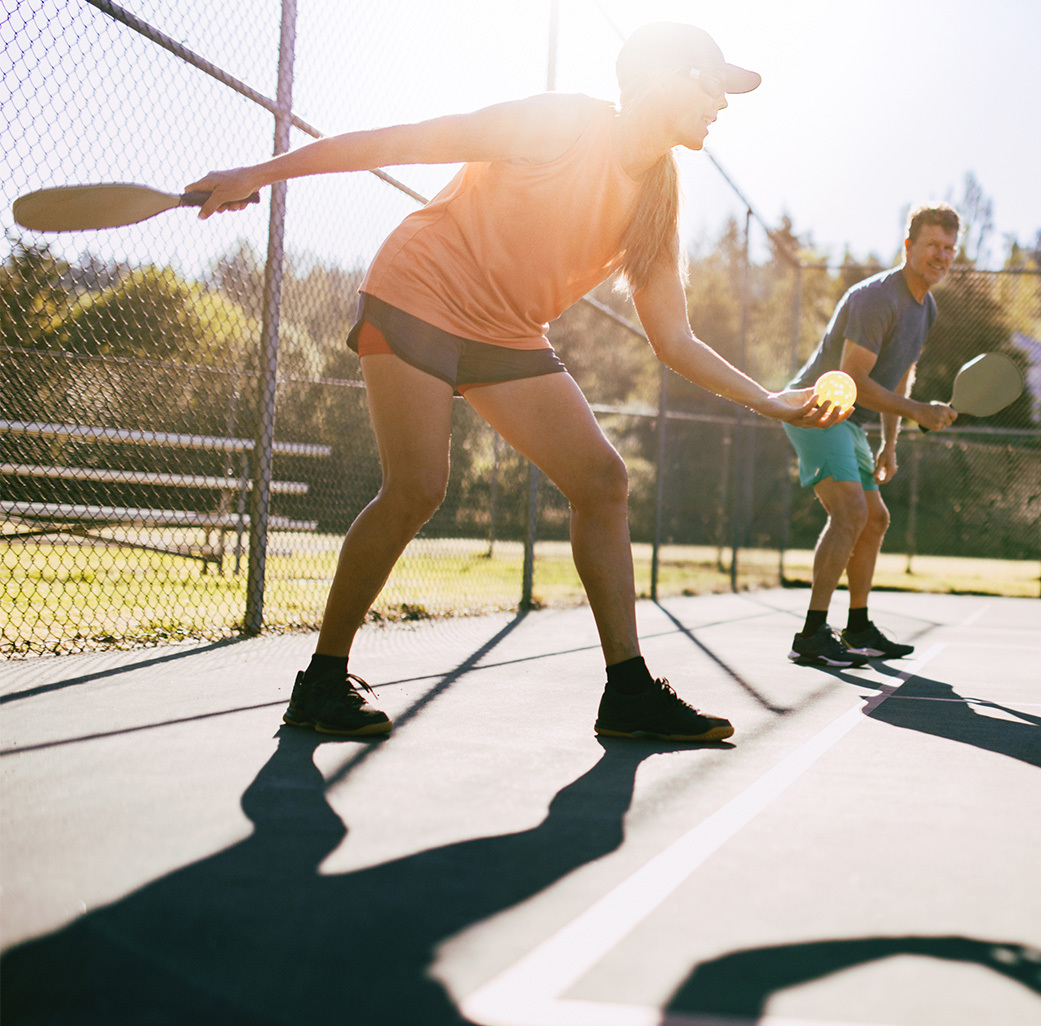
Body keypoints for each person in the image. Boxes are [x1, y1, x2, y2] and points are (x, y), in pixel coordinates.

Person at [189, 23, 845, 742]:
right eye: (713, 83)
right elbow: (405, 139)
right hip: (422, 288)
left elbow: (674, 339)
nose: (722, 102)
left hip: (505, 330)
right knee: (417, 488)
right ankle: (321, 681)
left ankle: (627, 693)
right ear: (667, 77)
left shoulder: (657, 197)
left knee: (602, 481)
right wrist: (260, 172)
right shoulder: (565, 123)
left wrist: (769, 400)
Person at [781, 203, 960, 667]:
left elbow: (899, 376)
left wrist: (890, 442)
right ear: (908, 247)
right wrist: (920, 411)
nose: (940, 255)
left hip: (850, 421)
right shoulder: (878, 297)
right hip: (817, 408)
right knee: (850, 513)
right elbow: (854, 379)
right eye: (931, 246)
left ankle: (857, 626)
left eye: (948, 248)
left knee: (875, 520)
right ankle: (812, 634)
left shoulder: (927, 308)